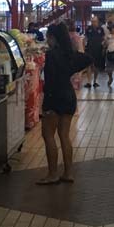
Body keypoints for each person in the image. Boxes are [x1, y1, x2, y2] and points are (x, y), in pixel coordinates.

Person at [37, 21, 92, 184]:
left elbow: (50, 79)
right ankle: (68, 173)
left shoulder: (52, 55)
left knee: (48, 135)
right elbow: (88, 58)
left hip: (54, 96)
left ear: (53, 38)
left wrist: (47, 102)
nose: (47, 41)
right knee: (64, 135)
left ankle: (52, 174)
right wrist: (73, 69)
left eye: (48, 37)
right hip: (68, 95)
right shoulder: (70, 54)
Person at [84, 14, 106, 88]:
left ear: (98, 22)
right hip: (89, 49)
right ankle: (89, 82)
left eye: (95, 21)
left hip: (98, 50)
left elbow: (103, 38)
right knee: (89, 65)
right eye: (92, 21)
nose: (94, 23)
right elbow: (85, 38)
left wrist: (103, 45)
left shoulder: (101, 29)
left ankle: (95, 81)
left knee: (96, 66)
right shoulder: (88, 29)